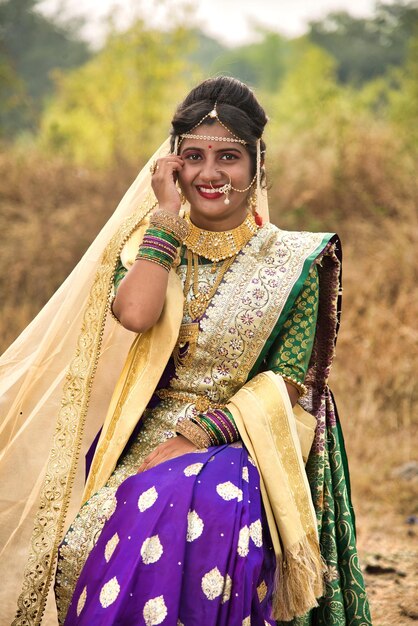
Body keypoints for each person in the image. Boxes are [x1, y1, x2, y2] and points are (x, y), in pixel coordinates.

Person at [0, 77, 372, 626]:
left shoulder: (297, 259)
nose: (210, 173)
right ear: (172, 167)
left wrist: (196, 437)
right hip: (147, 434)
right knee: (96, 534)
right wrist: (167, 224)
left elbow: (292, 378)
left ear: (256, 167)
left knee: (213, 504)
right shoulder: (150, 247)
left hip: (246, 439)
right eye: (193, 157)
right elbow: (135, 315)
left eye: (229, 157)